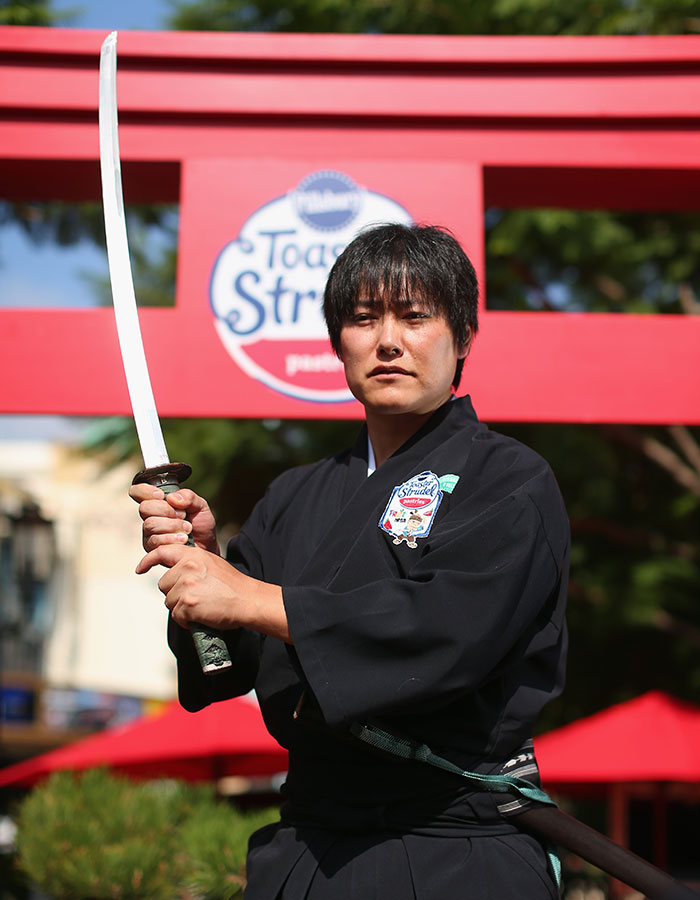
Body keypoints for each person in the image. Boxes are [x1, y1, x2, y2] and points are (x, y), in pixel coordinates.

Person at [130, 224, 569, 900]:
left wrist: (250, 598)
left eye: (415, 316)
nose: (388, 339)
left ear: (463, 338)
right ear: (339, 342)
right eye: (364, 319)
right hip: (308, 849)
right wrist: (202, 572)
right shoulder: (296, 494)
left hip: (454, 851)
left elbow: (443, 629)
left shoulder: (509, 480)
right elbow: (229, 668)